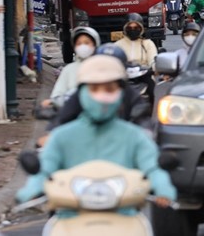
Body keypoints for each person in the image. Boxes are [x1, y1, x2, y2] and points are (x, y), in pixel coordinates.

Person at [16, 55, 177, 211]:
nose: (102, 96)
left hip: (124, 216)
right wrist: (30, 191)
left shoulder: (134, 136)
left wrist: (163, 189)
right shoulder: (62, 136)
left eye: (109, 89)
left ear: (121, 93)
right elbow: (45, 168)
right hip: (71, 216)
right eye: (94, 89)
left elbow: (152, 167)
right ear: (81, 93)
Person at [44, 27, 100, 108]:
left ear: (95, 44)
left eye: (87, 43)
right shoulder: (69, 70)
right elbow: (57, 96)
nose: (83, 46)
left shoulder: (104, 66)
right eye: (79, 43)